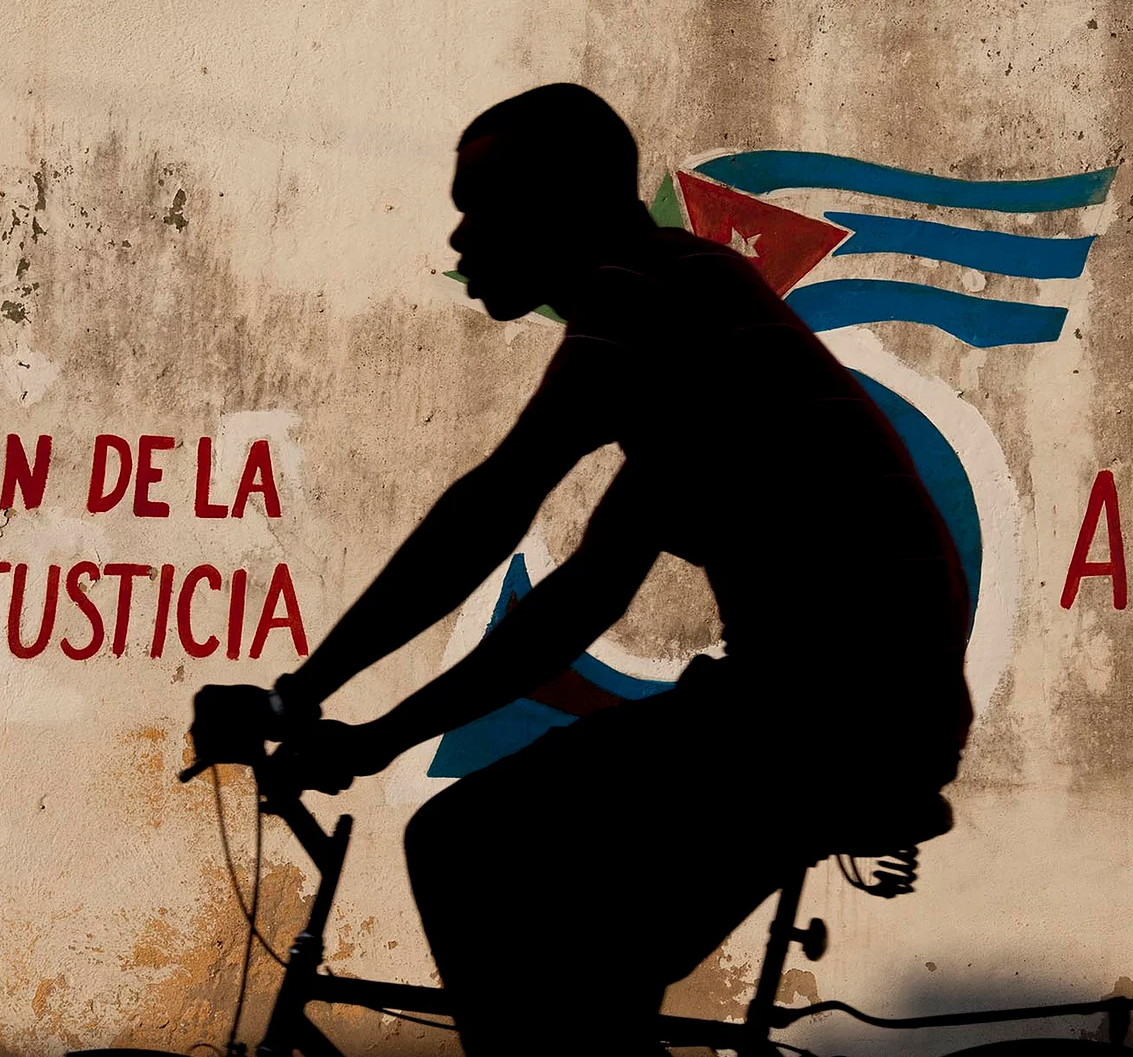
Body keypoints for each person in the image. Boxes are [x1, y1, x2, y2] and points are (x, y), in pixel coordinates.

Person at [191, 83, 974, 1056]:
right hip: (858, 709)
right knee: (577, 976)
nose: (462, 235)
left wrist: (297, 692)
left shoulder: (645, 284)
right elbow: (579, 601)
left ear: (563, 198)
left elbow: (497, 498)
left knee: (463, 852)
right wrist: (377, 736)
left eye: (482, 201)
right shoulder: (690, 336)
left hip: (817, 705)